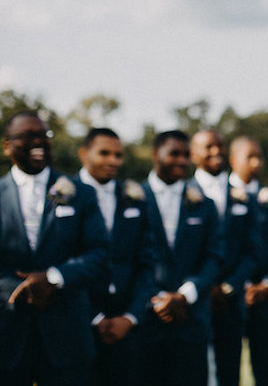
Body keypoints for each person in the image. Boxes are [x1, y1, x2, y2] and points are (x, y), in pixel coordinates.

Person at [0, 111, 110, 386]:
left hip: (67, 334)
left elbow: (99, 253)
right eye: (28, 136)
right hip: (8, 334)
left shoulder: (81, 192)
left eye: (45, 135)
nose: (39, 142)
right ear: (7, 146)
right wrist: (18, 288)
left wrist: (54, 279)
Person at [75, 127, 157, 386]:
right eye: (104, 153)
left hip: (126, 323)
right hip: (78, 320)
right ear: (83, 154)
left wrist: (131, 317)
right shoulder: (63, 196)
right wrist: (94, 318)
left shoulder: (133, 198)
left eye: (118, 155)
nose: (113, 161)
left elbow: (146, 263)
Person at [139, 130, 222, 386]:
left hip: (191, 322)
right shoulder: (131, 199)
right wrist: (157, 299)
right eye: (174, 153)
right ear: (156, 155)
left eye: (186, 155)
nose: (182, 161)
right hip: (145, 322)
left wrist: (185, 295)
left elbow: (215, 258)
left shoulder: (205, 205)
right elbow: (125, 259)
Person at [188, 129, 258, 386]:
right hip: (193, 302)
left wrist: (228, 286)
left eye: (220, 146)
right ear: (194, 154)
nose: (216, 152)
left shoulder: (243, 196)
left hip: (230, 301)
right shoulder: (183, 194)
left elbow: (253, 251)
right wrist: (203, 286)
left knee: (230, 373)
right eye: (209, 147)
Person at [230, 136, 268, 386]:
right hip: (230, 297)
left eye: (259, 157)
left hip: (266, 297)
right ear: (233, 160)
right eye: (249, 157)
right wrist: (239, 285)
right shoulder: (218, 198)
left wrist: (266, 284)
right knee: (228, 366)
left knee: (264, 366)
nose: (256, 163)